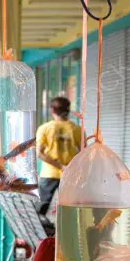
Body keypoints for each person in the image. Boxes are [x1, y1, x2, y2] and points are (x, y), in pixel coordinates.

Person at [35, 97, 82, 229]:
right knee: (70, 211)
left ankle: (44, 241)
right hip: (70, 175)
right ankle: (65, 236)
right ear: (68, 111)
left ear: (52, 111)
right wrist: (67, 167)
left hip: (49, 174)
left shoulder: (45, 128)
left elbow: (39, 153)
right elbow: (84, 155)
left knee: (40, 211)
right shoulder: (77, 130)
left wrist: (59, 166)